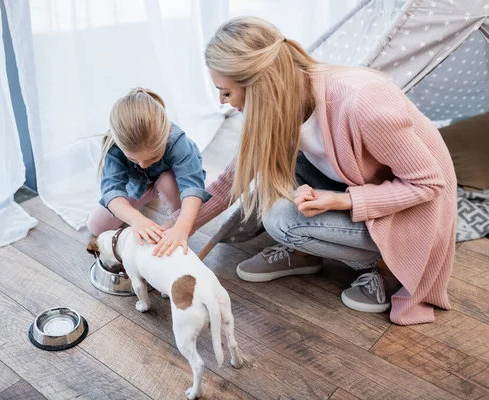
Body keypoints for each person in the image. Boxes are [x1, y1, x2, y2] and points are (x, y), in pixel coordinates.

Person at [171, 17, 457, 325]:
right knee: (270, 171)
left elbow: (428, 184)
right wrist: (173, 231)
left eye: (226, 92)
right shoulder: (281, 103)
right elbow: (230, 183)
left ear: (258, 85)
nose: (223, 102)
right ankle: (304, 253)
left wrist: (342, 201)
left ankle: (388, 268)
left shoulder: (362, 101)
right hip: (354, 182)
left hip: (413, 211)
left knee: (281, 219)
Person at [87, 87, 211, 257]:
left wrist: (181, 227)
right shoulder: (114, 145)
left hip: (170, 182)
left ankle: (172, 216)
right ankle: (150, 198)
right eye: (134, 159)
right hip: (139, 185)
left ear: (166, 133)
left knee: (168, 183)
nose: (143, 165)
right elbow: (112, 190)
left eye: (153, 157)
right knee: (96, 227)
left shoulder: (178, 142)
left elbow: (193, 189)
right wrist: (136, 219)